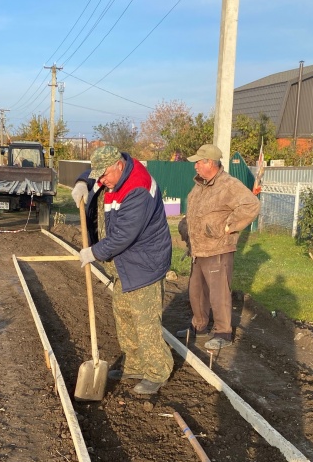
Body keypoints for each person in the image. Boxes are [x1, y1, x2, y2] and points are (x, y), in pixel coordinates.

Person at [72, 145, 174, 396]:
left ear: (118, 165)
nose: (101, 180)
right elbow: (92, 172)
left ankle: (156, 372)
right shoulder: (113, 172)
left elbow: (123, 236)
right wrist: (81, 182)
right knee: (125, 316)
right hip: (124, 264)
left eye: (104, 175)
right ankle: (135, 365)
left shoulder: (137, 188)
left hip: (144, 263)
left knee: (145, 322)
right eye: (98, 176)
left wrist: (93, 253)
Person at [178, 143, 260, 350]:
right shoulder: (200, 185)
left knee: (219, 293)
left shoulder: (228, 185)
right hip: (199, 248)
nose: (195, 166)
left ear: (210, 163)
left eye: (198, 162)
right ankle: (200, 325)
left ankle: (223, 332)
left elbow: (251, 205)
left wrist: (227, 226)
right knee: (196, 291)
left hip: (218, 248)